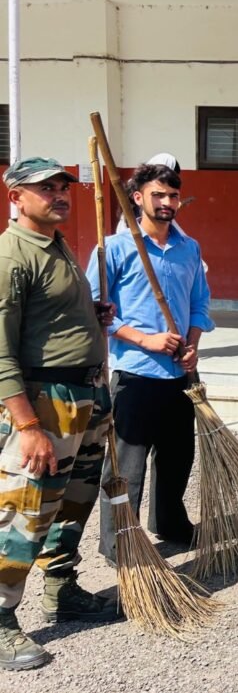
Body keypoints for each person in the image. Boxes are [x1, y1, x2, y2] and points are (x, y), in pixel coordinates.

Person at [0, 158, 120, 670]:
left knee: (72, 502)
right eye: (44, 188)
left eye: (61, 186)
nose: (58, 194)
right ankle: (1, 617)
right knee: (25, 509)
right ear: (15, 197)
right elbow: (1, 351)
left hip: (84, 396)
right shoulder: (12, 255)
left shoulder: (56, 244)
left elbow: (46, 318)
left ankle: (60, 587)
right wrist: (27, 426)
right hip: (44, 402)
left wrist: (89, 317)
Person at [89, 163, 213, 565]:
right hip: (135, 374)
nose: (166, 202)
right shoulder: (114, 249)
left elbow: (199, 303)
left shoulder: (189, 248)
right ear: (137, 197)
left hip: (180, 373)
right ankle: (119, 543)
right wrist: (145, 339)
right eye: (158, 194)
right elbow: (95, 309)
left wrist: (192, 345)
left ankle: (170, 523)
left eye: (172, 195)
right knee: (127, 465)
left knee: (178, 457)